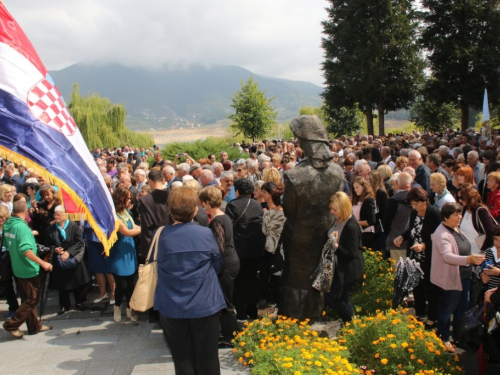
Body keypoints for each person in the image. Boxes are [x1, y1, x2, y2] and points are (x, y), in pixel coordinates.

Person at [155, 186, 225, 375]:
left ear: (170, 210)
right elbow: (218, 264)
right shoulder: (205, 234)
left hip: (172, 304)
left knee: (182, 359)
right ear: (195, 210)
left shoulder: (162, 236)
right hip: (204, 302)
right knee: (208, 358)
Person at [431, 202, 485, 353]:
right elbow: (447, 256)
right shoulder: (442, 234)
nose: (459, 217)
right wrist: (468, 259)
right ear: (445, 217)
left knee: (461, 308)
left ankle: (458, 337)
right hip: (451, 279)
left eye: (460, 214)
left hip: (464, 277)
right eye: (455, 214)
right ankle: (444, 338)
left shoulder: (455, 228)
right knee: (447, 309)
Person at [2, 200, 53, 338]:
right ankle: (11, 324)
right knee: (32, 299)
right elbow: (26, 250)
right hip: (27, 268)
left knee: (27, 298)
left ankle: (34, 326)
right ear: (26, 212)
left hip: (17, 267)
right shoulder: (22, 228)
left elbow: (7, 243)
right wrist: (43, 263)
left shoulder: (8, 224)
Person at [393, 187, 441, 329]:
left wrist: (424, 246)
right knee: (417, 285)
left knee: (431, 288)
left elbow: (440, 239)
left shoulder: (435, 214)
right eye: (412, 204)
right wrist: (402, 236)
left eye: (416, 204)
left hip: (429, 257)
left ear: (424, 201)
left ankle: (432, 317)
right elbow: (413, 230)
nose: (414, 207)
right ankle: (420, 312)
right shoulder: (414, 213)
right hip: (415, 256)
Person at [199, 186, 240, 348]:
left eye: (203, 203)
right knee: (227, 300)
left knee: (225, 302)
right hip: (232, 261)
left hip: (226, 264)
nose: (202, 206)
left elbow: (218, 248)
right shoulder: (225, 216)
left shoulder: (216, 221)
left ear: (208, 202)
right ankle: (231, 333)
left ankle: (231, 336)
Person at [225, 178, 266, 321]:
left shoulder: (232, 206)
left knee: (239, 281)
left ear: (237, 191)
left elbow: (228, 229)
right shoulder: (257, 205)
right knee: (252, 279)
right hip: (255, 250)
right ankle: (253, 311)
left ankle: (241, 313)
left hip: (239, 250)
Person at [324, 191, 364, 323]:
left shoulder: (351, 226)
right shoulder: (338, 220)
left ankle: (351, 322)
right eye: (331, 209)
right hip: (338, 267)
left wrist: (335, 246)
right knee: (342, 298)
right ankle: (350, 323)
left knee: (332, 298)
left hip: (347, 270)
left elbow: (351, 253)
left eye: (334, 209)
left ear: (343, 208)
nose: (332, 212)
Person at [45, 206, 90, 314]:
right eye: (55, 214)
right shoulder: (50, 229)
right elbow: (46, 245)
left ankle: (80, 301)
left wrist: (68, 252)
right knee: (62, 283)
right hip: (59, 260)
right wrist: (54, 250)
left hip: (73, 257)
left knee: (78, 281)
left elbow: (80, 242)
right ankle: (64, 304)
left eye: (59, 214)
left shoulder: (73, 226)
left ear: (65, 215)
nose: (56, 216)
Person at [107, 187, 141, 323]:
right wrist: (146, 228)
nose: (129, 200)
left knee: (131, 283)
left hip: (129, 250)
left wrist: (139, 228)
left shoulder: (127, 213)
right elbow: (127, 231)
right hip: (118, 252)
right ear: (120, 199)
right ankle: (117, 306)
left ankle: (129, 308)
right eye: (127, 198)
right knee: (121, 284)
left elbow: (134, 227)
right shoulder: (113, 215)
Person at [260, 182, 285, 307]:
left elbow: (264, 231)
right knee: (279, 278)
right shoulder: (288, 215)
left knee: (267, 272)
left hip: (270, 247)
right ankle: (279, 302)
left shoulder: (267, 214)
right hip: (283, 249)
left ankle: (265, 297)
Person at [0, 205, 19, 318]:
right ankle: (13, 307)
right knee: (7, 284)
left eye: (3, 217)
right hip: (2, 258)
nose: (1, 219)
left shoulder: (9, 226)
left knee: (20, 282)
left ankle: (24, 308)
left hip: (12, 255)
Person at [351, 176, 376, 248]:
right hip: (357, 232)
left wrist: (354, 221)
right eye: (354, 188)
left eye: (357, 187)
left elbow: (371, 221)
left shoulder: (368, 200)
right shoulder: (356, 200)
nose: (355, 190)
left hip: (366, 233)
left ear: (363, 187)